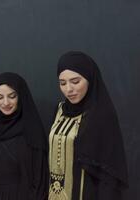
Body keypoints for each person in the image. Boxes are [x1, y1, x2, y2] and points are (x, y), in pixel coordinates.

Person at [48, 51, 128, 200]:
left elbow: (109, 175)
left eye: (75, 81)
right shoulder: (59, 111)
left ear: (90, 79)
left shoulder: (101, 116)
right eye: (62, 83)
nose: (69, 89)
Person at [0, 72, 49, 200]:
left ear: (21, 97)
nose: (5, 103)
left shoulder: (32, 132)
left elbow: (40, 179)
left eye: (12, 96)